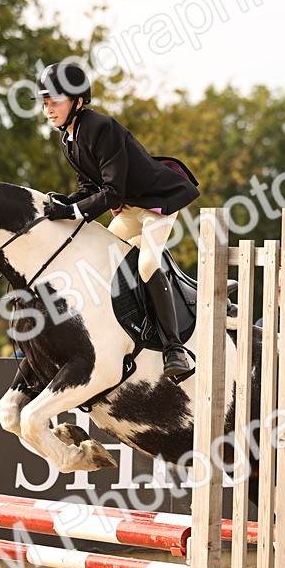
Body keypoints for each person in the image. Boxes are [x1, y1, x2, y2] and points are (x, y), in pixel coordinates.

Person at [36, 62, 199, 379]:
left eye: (55, 101)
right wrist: (64, 202)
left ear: (78, 102)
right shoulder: (68, 138)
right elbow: (89, 187)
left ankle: (174, 349)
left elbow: (111, 191)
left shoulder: (101, 128)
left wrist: (71, 212)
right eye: (44, 103)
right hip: (128, 208)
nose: (48, 109)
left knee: (148, 264)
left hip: (156, 204)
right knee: (107, 261)